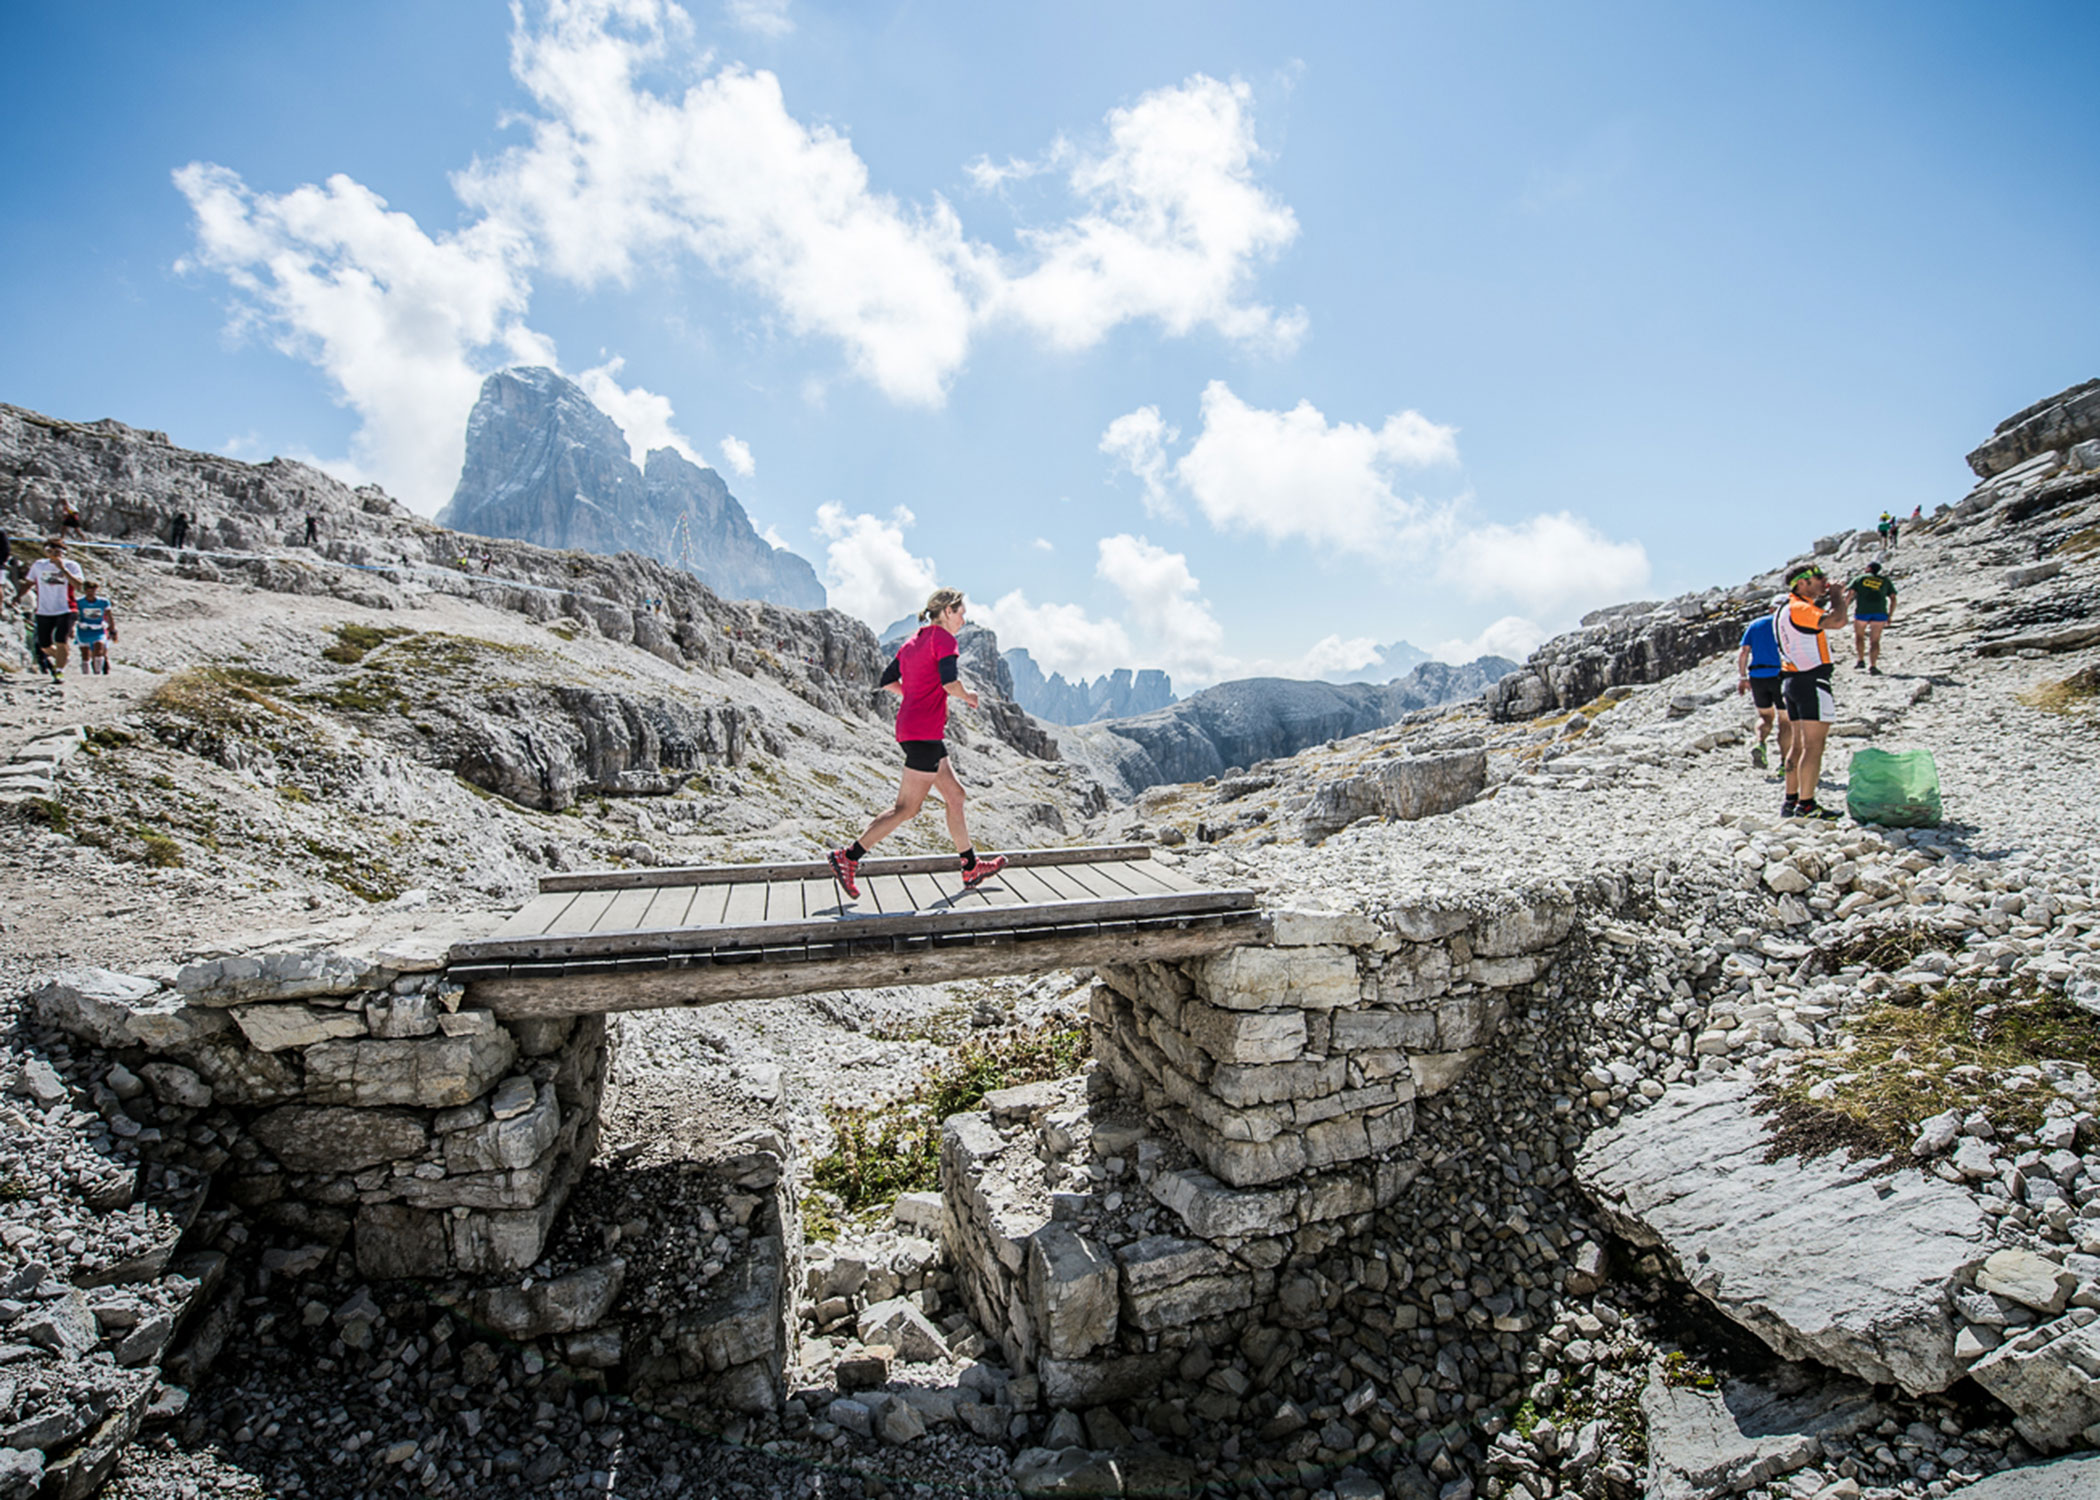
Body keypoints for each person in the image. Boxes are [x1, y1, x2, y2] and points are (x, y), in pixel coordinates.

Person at [828, 588, 1007, 897]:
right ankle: (848, 857)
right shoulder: (944, 640)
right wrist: (969, 697)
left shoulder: (913, 641)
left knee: (955, 795)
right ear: (948, 611)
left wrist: (914, 696)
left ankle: (970, 867)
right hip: (923, 733)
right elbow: (950, 682)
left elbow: (887, 680)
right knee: (906, 809)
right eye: (961, 612)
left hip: (918, 730)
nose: (964, 619)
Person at [1775, 563, 1849, 820]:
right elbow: (1838, 621)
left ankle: (1791, 800)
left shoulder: (1784, 609)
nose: (1824, 582)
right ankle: (1807, 804)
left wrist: (1838, 600)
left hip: (1792, 682)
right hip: (1812, 681)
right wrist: (1837, 597)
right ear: (1802, 582)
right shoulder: (1800, 607)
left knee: (1797, 746)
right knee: (1814, 746)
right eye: (1819, 578)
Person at [13, 538, 84, 678]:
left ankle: (59, 671)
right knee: (44, 645)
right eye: (49, 551)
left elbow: (78, 585)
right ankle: (61, 658)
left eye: (56, 551)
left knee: (61, 639)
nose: (53, 554)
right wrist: (18, 596)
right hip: (44, 609)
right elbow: (29, 582)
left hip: (66, 608)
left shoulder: (72, 565)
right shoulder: (39, 565)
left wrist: (62, 569)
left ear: (63, 552)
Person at [1735, 596, 1791, 770]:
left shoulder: (1755, 625)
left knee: (1765, 716)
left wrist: (1743, 677)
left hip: (1758, 676)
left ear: (1770, 609)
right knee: (1785, 721)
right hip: (1781, 674)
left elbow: (1743, 652)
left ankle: (1760, 742)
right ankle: (1784, 763)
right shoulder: (1789, 625)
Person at [1847, 561, 1896, 674]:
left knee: (1859, 636)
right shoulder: (1885, 581)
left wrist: (1843, 610)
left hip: (1862, 612)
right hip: (1880, 612)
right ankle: (1873, 666)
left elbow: (1850, 595)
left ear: (1868, 568)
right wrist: (1890, 615)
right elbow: (1893, 598)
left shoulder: (1859, 578)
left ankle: (1860, 660)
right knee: (1875, 640)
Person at [73, 580, 116, 674]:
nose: (91, 593)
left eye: (93, 590)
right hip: (84, 630)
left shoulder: (103, 602)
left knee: (99, 649)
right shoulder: (79, 602)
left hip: (98, 629)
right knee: (85, 653)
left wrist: (113, 629)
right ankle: (86, 673)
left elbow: (109, 616)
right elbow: (74, 615)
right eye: (88, 590)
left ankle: (97, 672)